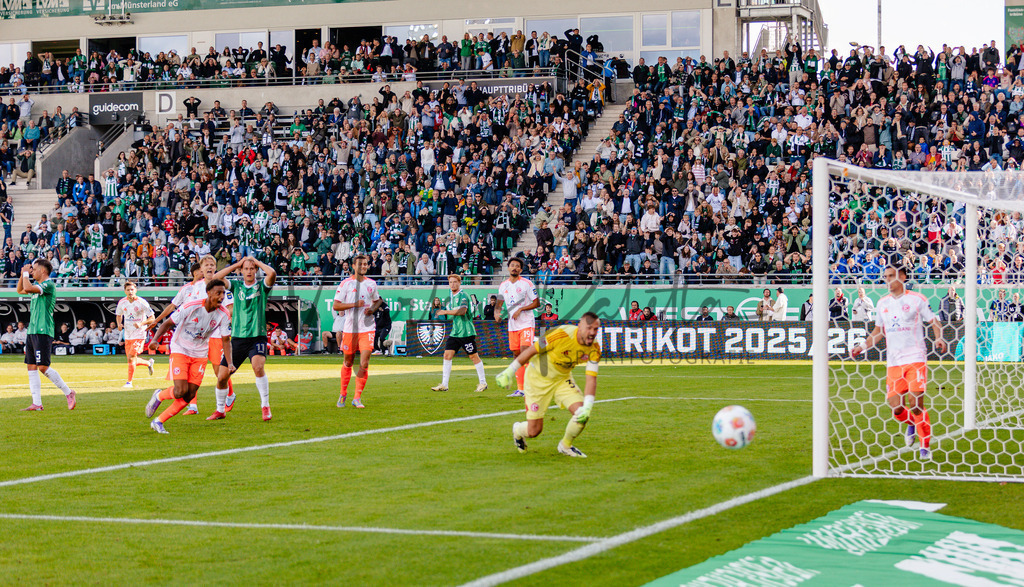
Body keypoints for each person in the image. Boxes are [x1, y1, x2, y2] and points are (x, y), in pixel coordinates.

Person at [851, 266, 947, 460]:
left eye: (891, 276)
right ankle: (912, 423)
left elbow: (934, 321)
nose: (887, 280)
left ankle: (925, 447)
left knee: (915, 403)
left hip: (915, 358)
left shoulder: (917, 299)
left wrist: (938, 338)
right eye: (885, 276)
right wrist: (862, 346)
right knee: (897, 409)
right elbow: (878, 331)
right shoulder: (882, 303)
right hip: (894, 362)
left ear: (902, 277)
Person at [498, 312, 602, 458]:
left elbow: (591, 379)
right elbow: (532, 350)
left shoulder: (595, 348)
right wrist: (509, 371)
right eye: (589, 328)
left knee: (582, 414)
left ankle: (565, 446)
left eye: (595, 329)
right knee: (534, 431)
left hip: (562, 379)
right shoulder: (560, 334)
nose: (592, 333)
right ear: (579, 326)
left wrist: (588, 406)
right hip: (537, 380)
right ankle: (518, 430)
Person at [144, 279, 233, 434]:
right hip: (181, 348)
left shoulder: (223, 314)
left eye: (223, 293)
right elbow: (168, 323)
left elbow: (226, 340)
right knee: (180, 391)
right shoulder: (192, 306)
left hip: (200, 354)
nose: (221, 297)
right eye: (218, 293)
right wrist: (155, 340)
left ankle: (158, 421)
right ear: (208, 293)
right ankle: (159, 395)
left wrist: (229, 363)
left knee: (190, 394)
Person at [206, 256, 276, 421]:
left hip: (257, 337)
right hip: (237, 339)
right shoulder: (236, 286)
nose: (249, 271)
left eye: (252, 268)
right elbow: (216, 278)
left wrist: (256, 261)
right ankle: (220, 410)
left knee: (258, 367)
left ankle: (265, 406)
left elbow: (272, 273)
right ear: (241, 271)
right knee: (222, 377)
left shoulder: (262, 286)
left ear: (256, 270)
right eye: (246, 269)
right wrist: (237, 264)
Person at [17, 258, 78, 411]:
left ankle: (69, 392)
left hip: (43, 330)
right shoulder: (35, 286)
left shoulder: (48, 284)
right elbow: (20, 290)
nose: (32, 271)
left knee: (43, 367)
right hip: (32, 331)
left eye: (34, 269)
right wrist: (22, 274)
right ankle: (37, 403)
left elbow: (27, 287)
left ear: (43, 271)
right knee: (31, 366)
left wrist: (26, 274)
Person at [332, 254, 382, 408]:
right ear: (353, 266)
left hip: (367, 328)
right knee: (348, 361)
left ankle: (357, 398)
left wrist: (372, 309)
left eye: (365, 264)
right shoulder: (345, 284)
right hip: (350, 329)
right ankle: (343, 394)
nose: (363, 266)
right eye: (360, 264)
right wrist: (354, 304)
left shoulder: (372, 284)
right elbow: (336, 305)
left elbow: (378, 300)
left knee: (364, 362)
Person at [431, 274, 488, 392]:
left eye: (455, 282)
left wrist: (445, 312)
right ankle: (444, 385)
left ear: (459, 283)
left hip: (466, 332)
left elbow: (462, 311)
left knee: (473, 356)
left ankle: (483, 383)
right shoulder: (451, 296)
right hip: (455, 332)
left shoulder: (463, 295)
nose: (452, 284)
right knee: (447, 355)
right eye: (450, 282)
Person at [495, 257, 539, 398]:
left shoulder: (527, 283)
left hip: (526, 323)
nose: (514, 267)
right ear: (508, 268)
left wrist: (521, 309)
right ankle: (521, 389)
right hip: (512, 325)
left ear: (521, 269)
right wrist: (497, 313)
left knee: (525, 352)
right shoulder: (503, 285)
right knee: (516, 355)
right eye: (512, 265)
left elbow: (537, 303)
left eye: (517, 266)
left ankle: (533, 386)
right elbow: (499, 303)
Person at [115, 280, 155, 387]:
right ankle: (149, 363)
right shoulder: (122, 302)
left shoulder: (142, 302)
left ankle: (129, 382)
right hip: (128, 333)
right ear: (125, 291)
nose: (130, 292)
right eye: (128, 290)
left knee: (132, 356)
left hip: (139, 333)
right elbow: (119, 315)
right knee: (130, 358)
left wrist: (141, 323)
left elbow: (152, 318)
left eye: (132, 290)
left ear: (136, 290)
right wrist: (119, 324)